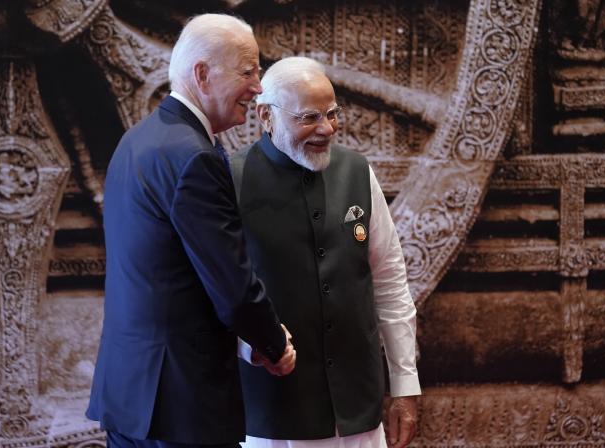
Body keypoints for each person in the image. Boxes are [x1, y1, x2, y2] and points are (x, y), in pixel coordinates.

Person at [87, 14, 296, 448]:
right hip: (180, 404)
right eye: (248, 71)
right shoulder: (193, 157)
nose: (258, 86)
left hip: (132, 394)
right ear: (202, 74)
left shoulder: (138, 140)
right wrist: (274, 344)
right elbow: (232, 286)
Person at [231, 56, 420, 448]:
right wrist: (255, 346)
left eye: (333, 114)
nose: (327, 128)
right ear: (266, 116)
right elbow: (209, 295)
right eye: (309, 118)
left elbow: (389, 281)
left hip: (359, 412)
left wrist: (404, 384)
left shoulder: (356, 171)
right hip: (271, 416)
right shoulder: (229, 180)